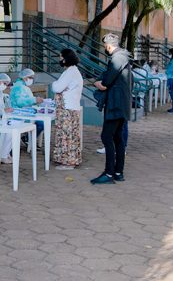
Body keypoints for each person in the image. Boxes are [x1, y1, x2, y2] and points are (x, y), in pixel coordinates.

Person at [91, 34, 130, 184]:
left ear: (108, 46)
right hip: (121, 104)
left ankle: (109, 173)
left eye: (104, 47)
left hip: (115, 104)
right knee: (118, 138)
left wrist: (97, 83)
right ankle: (118, 172)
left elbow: (106, 82)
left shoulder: (117, 58)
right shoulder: (123, 56)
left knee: (107, 137)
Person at [50, 49, 83, 170]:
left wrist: (54, 83)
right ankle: (68, 159)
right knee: (70, 134)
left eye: (61, 57)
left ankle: (68, 162)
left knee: (66, 135)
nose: (60, 60)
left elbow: (57, 87)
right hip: (69, 108)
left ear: (65, 59)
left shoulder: (70, 72)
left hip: (67, 109)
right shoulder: (72, 71)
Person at [9, 68, 44, 137]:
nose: (32, 80)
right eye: (30, 78)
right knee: (41, 124)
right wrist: (34, 100)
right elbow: (19, 102)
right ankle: (28, 139)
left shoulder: (23, 86)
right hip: (19, 114)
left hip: (24, 112)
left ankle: (28, 139)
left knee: (41, 121)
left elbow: (27, 99)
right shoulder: (19, 87)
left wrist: (36, 101)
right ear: (25, 77)